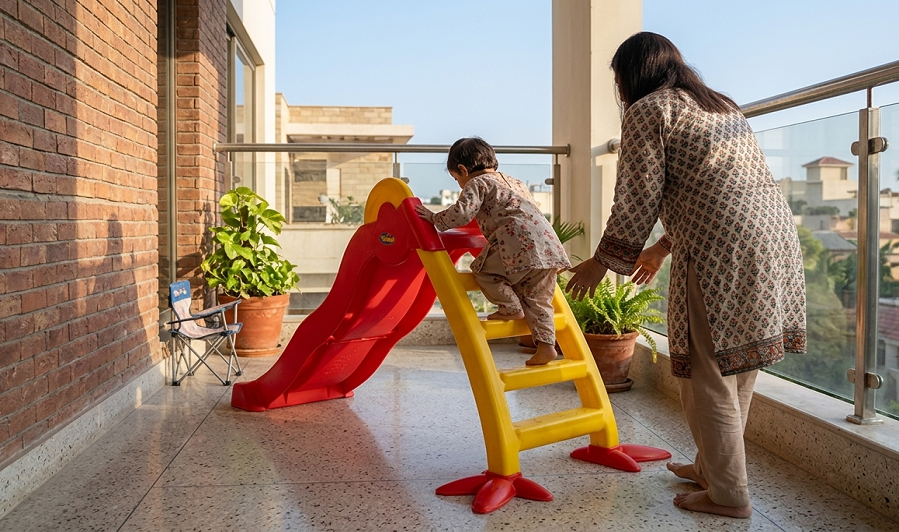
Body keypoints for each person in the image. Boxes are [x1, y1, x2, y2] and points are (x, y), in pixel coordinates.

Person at [565, 32, 806, 518]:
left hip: (720, 250)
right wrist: (660, 248)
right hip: (774, 240)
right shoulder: (720, 105)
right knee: (737, 364)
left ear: (630, 75)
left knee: (706, 372)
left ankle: (729, 493)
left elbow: (637, 198)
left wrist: (600, 262)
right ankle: (711, 468)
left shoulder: (649, 110)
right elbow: (713, 189)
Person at [416, 137, 571, 366]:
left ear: (463, 170)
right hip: (548, 248)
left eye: (457, 179)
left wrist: (434, 217)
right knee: (538, 300)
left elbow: (462, 213)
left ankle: (510, 307)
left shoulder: (478, 183)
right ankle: (546, 346)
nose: (460, 185)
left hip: (519, 243)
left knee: (484, 272)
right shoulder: (515, 182)